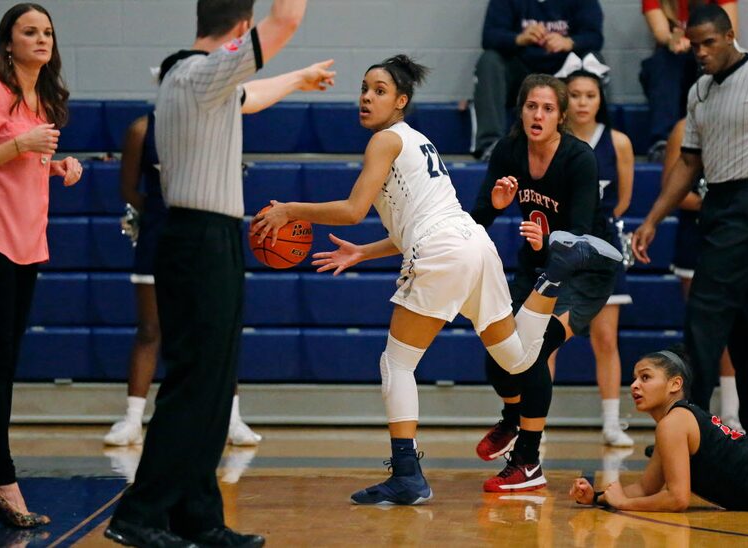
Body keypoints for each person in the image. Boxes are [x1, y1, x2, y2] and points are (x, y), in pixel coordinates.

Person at [253, 55, 622, 505]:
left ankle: (407, 473)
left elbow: (352, 211)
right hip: (473, 245)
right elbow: (419, 225)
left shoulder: (385, 141)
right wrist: (365, 252)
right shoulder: (417, 141)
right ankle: (554, 275)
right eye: (365, 88)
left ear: (401, 101)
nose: (367, 97)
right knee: (516, 357)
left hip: (445, 250)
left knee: (397, 363)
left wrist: (289, 209)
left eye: (380, 90)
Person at [105, 1, 335, 546]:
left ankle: (196, 513)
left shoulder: (198, 81)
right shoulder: (199, 71)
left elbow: (250, 98)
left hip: (209, 239)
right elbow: (286, 21)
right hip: (196, 239)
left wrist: (299, 78)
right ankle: (139, 515)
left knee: (211, 382)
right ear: (238, 30)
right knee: (194, 382)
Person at [632, 5, 748, 439]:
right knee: (741, 321)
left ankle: (688, 428)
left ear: (729, 35)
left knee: (704, 311)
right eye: (694, 44)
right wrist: (653, 218)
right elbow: (688, 162)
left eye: (709, 42)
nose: (700, 51)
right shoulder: (699, 90)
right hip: (717, 204)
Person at [469, 73, 620, 491]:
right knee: (499, 352)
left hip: (584, 267)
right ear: (521, 111)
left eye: (548, 108)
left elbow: (580, 234)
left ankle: (528, 462)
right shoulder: (510, 150)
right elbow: (477, 217)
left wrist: (549, 243)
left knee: (532, 352)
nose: (538, 114)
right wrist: (497, 204)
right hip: (535, 263)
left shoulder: (579, 158)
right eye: (532, 106)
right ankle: (513, 419)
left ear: (561, 116)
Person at [104, 112, 261, 448]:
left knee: (218, 331)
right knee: (150, 329)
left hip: (210, 237)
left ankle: (231, 419)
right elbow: (128, 189)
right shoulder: (141, 129)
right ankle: (132, 420)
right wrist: (167, 213)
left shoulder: (218, 123)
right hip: (158, 237)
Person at [0, 2, 82, 528]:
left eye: (47, 31)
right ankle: (6, 483)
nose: (41, 39)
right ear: (8, 42)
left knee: (6, 365)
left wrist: (58, 167)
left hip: (29, 242)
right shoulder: (0, 92)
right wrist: (21, 143)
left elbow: (27, 165)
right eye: (30, 31)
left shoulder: (44, 97)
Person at [569, 348, 748, 512]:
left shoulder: (674, 423)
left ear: (674, 384)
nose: (635, 385)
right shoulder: (673, 423)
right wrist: (598, 497)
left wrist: (624, 504)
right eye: (635, 378)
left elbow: (677, 499)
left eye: (645, 377)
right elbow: (646, 488)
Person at [554, 55, 636, 447]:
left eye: (590, 95)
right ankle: (534, 425)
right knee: (547, 338)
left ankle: (611, 423)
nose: (583, 102)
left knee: (606, 340)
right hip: (561, 247)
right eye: (575, 95)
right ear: (564, 99)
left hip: (604, 248)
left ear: (600, 99)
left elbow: (623, 200)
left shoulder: (618, 142)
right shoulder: (552, 140)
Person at [663, 118, 741, 432]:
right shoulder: (682, 128)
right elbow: (674, 190)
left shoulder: (744, 122)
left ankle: (732, 414)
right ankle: (698, 415)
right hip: (695, 235)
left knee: (732, 328)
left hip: (736, 233)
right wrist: (713, 202)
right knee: (700, 328)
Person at [471, 0, 604, 160]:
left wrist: (569, 42)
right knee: (489, 60)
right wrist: (519, 38)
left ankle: (593, 143)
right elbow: (489, 37)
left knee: (594, 60)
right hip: (520, 74)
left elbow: (595, 37)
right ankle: (490, 144)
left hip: (564, 71)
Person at [639, 0, 738, 162]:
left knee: (713, 61)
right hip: (673, 64)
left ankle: (714, 138)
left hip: (706, 61)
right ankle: (663, 143)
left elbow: (730, 34)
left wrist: (697, 43)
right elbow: (660, 33)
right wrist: (675, 39)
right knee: (662, 62)